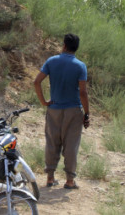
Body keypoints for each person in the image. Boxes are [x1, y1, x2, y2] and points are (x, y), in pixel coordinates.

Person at [34, 33, 90, 190]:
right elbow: (83, 93)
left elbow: (37, 82)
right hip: (73, 110)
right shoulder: (80, 66)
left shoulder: (52, 61)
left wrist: (44, 102)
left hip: (54, 109)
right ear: (76, 48)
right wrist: (87, 113)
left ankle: (50, 178)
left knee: (52, 143)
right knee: (71, 145)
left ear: (64, 45)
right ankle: (70, 180)